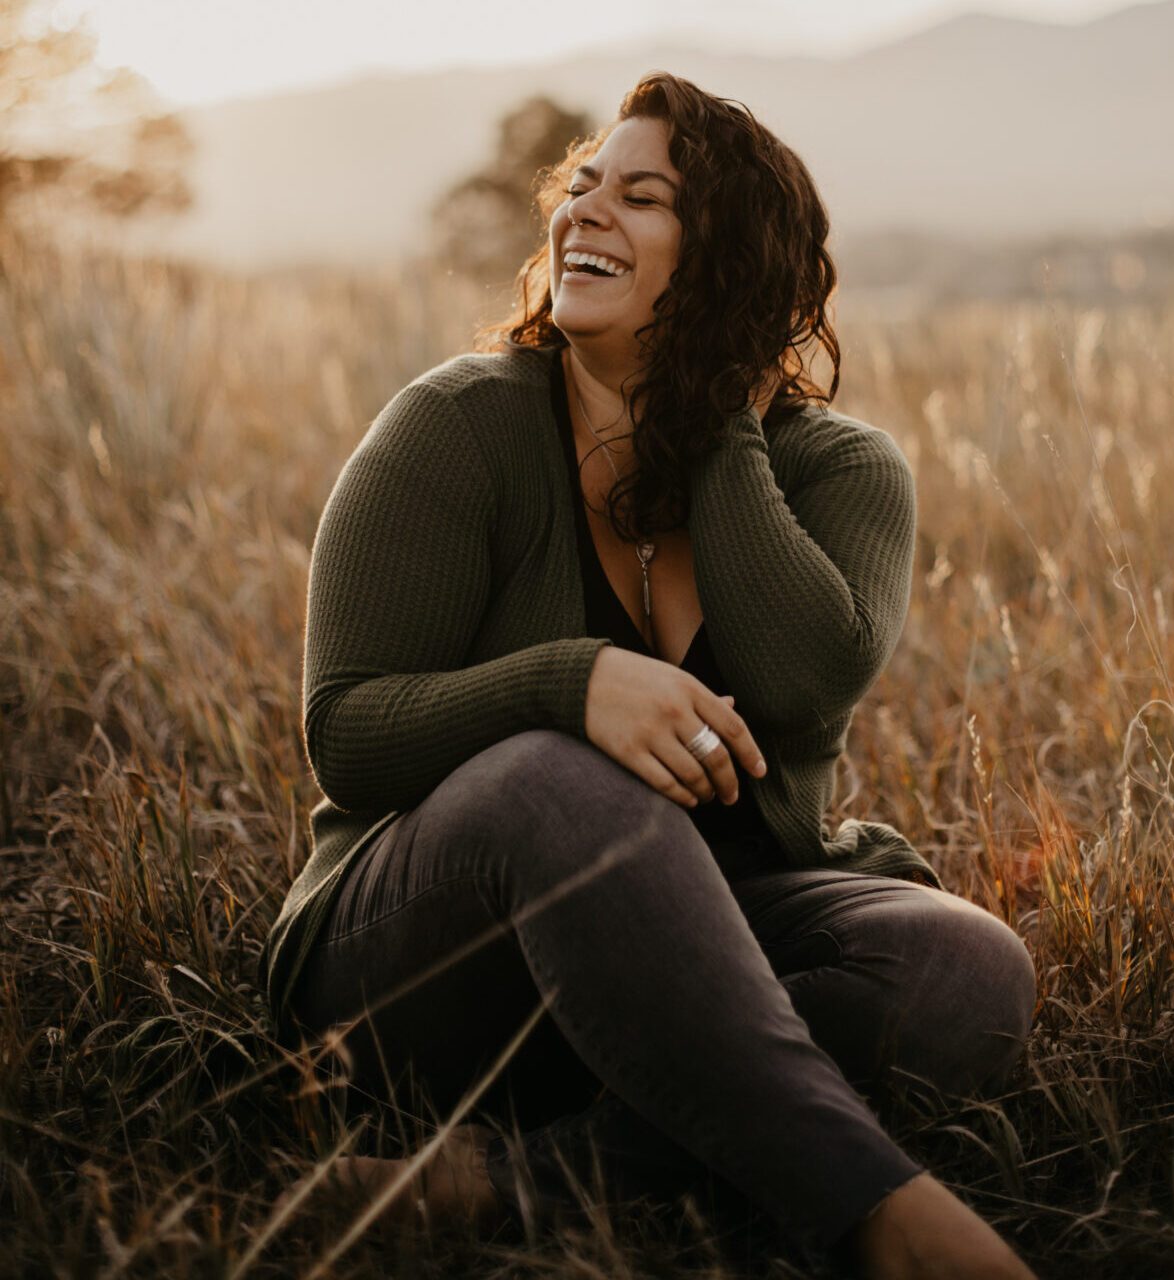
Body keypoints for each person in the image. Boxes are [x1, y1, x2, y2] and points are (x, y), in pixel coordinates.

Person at [262, 71, 1039, 1279]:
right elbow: (348, 732)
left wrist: (713, 416)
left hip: (693, 952)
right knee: (551, 779)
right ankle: (881, 1211)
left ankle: (501, 1180)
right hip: (430, 969)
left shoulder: (840, 472)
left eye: (640, 196)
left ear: (726, 258)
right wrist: (564, 684)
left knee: (963, 963)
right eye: (578, 189)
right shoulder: (453, 426)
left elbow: (798, 682)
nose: (583, 214)